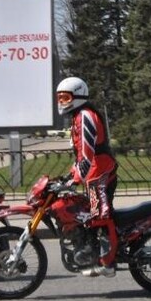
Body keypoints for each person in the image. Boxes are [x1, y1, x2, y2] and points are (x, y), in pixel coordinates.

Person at [56, 76, 119, 277]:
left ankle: (108, 263)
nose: (62, 102)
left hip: (100, 173)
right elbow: (80, 157)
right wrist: (69, 176)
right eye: (59, 98)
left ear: (78, 96)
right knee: (89, 214)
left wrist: (75, 180)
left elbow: (87, 153)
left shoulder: (85, 116)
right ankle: (92, 251)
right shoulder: (78, 117)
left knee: (101, 214)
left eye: (65, 98)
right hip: (94, 173)